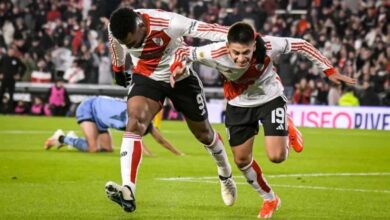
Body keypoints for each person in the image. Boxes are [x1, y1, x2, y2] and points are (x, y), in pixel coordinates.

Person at [170, 22, 356, 218]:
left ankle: (286, 123)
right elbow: (183, 53)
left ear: (253, 46)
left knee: (277, 157)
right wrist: (177, 68)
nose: (241, 58)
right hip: (238, 103)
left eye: (246, 52)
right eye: (235, 53)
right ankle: (270, 199)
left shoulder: (268, 45)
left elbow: (302, 45)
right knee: (241, 160)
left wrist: (329, 70)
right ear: (227, 47)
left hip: (270, 98)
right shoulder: (213, 52)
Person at [106, 7, 236, 213]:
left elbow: (211, 30)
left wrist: (249, 38)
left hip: (181, 77)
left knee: (204, 134)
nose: (132, 46)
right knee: (135, 121)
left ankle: (225, 173)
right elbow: (116, 45)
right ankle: (128, 189)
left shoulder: (170, 23)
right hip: (147, 77)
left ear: (140, 25)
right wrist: (118, 68)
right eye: (127, 44)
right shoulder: (116, 29)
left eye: (133, 42)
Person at [44, 96, 184, 156]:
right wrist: (149, 155)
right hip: (89, 108)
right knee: (93, 148)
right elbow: (133, 139)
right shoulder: (133, 117)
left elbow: (161, 139)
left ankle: (71, 139)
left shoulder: (143, 117)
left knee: (107, 149)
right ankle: (62, 138)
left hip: (102, 117)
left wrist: (179, 153)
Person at [0, 47, 26, 112]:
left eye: (13, 51)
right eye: (10, 51)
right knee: (1, 94)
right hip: (4, 79)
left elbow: (24, 67)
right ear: (8, 51)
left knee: (11, 95)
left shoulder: (16, 59)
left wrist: (19, 75)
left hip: (12, 80)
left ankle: (10, 110)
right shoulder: (3, 58)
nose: (11, 52)